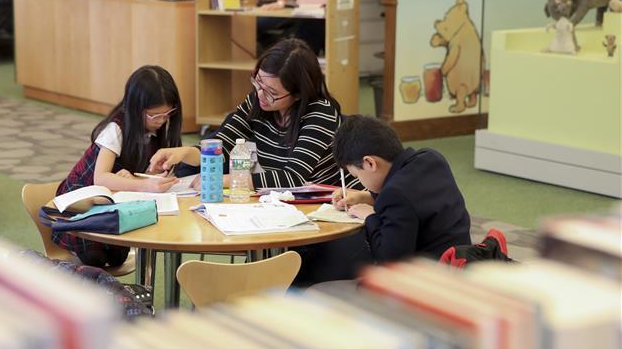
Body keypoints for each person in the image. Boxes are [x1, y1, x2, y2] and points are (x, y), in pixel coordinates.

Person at [149, 39, 360, 192]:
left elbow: (293, 177)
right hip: (284, 203)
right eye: (258, 82)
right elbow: (221, 144)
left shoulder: (320, 113)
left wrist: (229, 180)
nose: (261, 95)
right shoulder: (258, 101)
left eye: (272, 92)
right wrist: (184, 153)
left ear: (298, 94)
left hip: (331, 205)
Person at [54, 65, 184, 268]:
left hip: (112, 205)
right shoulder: (116, 129)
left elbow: (137, 175)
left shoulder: (156, 132)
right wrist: (143, 185)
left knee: (117, 258)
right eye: (154, 115)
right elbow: (101, 178)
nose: (162, 120)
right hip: (81, 209)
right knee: (95, 260)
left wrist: (148, 176)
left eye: (168, 114)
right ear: (135, 108)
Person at [330, 115, 471, 263]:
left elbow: (390, 259)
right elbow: (413, 200)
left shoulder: (395, 194)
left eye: (357, 175)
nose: (359, 180)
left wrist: (370, 217)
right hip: (462, 255)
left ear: (370, 163)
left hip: (433, 272)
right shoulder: (431, 157)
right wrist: (364, 196)